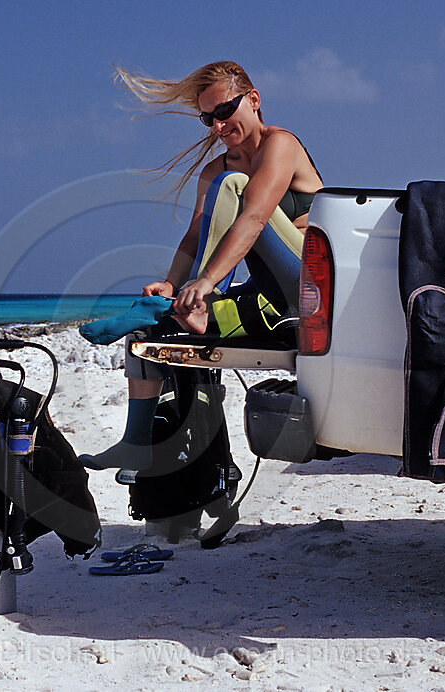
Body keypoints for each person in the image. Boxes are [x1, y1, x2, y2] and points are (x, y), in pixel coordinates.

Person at [80, 60, 322, 472]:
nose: (217, 127)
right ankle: (137, 442)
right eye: (207, 118)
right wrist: (172, 285)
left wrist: (207, 282)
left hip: (312, 287)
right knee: (155, 326)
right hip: (273, 303)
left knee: (238, 188)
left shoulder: (280, 145)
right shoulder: (215, 171)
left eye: (224, 111)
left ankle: (203, 303)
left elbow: (255, 218)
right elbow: (194, 238)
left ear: (254, 100)